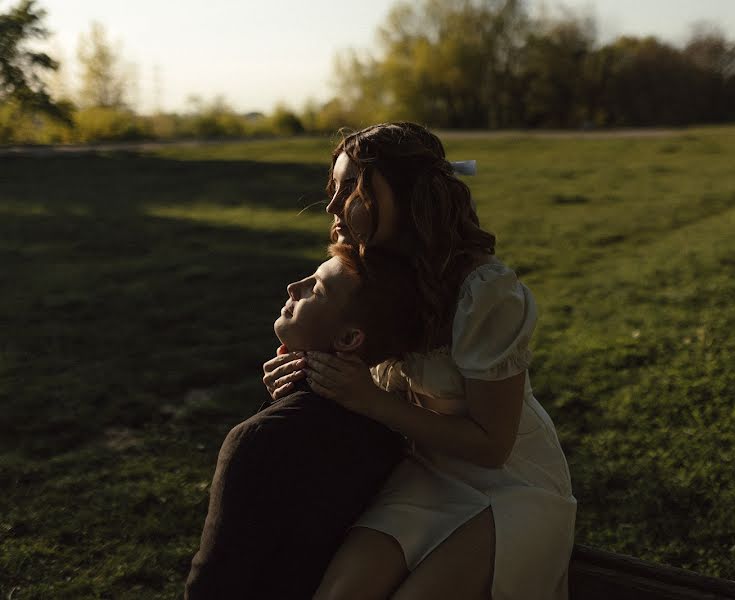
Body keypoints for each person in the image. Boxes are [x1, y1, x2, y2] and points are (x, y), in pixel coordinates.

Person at [263, 122, 577, 600]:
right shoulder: (362, 271)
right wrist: (302, 369)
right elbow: (343, 352)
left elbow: (493, 446)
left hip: (511, 486)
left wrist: (369, 400)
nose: (331, 206)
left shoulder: (484, 291)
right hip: (425, 475)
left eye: (352, 187)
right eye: (335, 188)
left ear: (406, 197)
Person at [185, 244, 424, 599]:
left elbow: (215, 582)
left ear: (348, 339)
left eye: (317, 288)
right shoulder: (389, 431)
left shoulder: (262, 438)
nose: (294, 286)